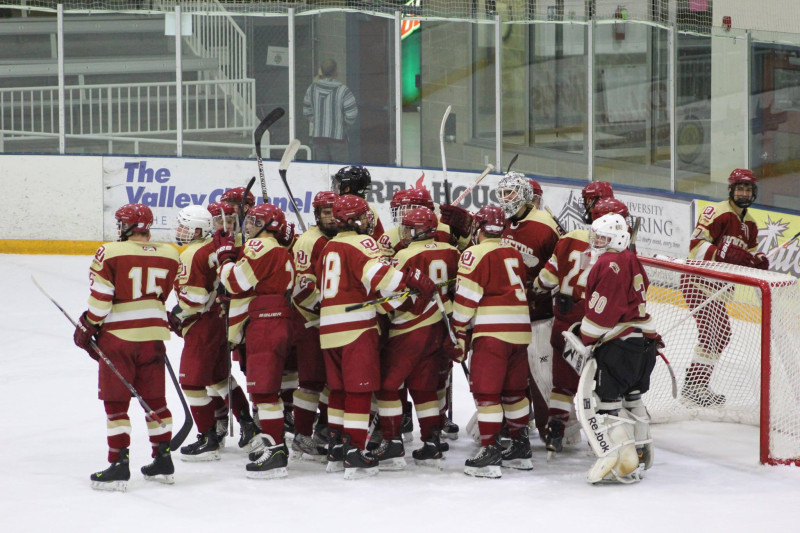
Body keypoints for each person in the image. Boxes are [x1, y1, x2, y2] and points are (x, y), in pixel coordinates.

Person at [317, 194, 435, 480]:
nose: (368, 220)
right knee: (358, 392)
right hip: (356, 328)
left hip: (328, 329)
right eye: (364, 216)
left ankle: (336, 448)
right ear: (356, 220)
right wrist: (410, 279)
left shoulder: (329, 245)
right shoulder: (362, 243)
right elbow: (383, 278)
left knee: (338, 391)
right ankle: (355, 451)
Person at [73, 203, 180, 492]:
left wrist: (88, 324)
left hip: (119, 338)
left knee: (116, 403)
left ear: (127, 226)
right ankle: (163, 460)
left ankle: (119, 464)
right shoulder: (170, 253)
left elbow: (101, 301)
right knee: (156, 401)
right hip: (154, 336)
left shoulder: (109, 252)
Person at [535, 197, 630, 458]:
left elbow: (544, 281)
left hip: (565, 325)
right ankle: (601, 439)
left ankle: (555, 431)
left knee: (562, 385)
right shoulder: (620, 253)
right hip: (599, 329)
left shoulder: (568, 239)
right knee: (600, 385)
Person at [571, 212, 659, 484]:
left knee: (607, 405)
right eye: (596, 236)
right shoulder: (631, 258)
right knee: (633, 399)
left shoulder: (608, 264)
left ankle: (624, 461)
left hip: (618, 347)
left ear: (617, 238)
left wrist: (585, 336)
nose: (596, 241)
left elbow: (602, 315)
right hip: (644, 345)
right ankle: (642, 451)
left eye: (603, 238)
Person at [169, 205, 261, 462]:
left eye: (185, 227)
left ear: (199, 230)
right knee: (219, 378)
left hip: (202, 324)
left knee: (191, 382)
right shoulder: (212, 247)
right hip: (220, 320)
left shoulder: (192, 253)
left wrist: (175, 314)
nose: (180, 230)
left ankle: (208, 438)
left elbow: (195, 299)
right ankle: (248, 424)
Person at [373, 206, 461, 470]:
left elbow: (390, 297)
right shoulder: (453, 251)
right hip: (440, 325)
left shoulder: (404, 255)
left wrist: (380, 308)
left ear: (420, 230)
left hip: (410, 327)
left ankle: (391, 442)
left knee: (387, 385)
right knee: (424, 388)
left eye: (409, 228)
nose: (404, 232)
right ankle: (432, 442)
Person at [452, 206, 533, 479]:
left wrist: (458, 330)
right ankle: (520, 448)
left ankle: (490, 452)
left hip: (492, 333)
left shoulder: (474, 253)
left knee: (487, 394)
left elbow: (466, 298)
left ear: (479, 228)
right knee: (514, 392)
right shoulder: (513, 252)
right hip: (520, 331)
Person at [216, 203, 295, 479]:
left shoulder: (261, 246)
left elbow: (235, 282)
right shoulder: (277, 248)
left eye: (255, 221)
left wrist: (225, 259)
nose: (248, 225)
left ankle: (276, 453)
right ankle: (275, 445)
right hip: (274, 319)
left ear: (269, 226)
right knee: (267, 390)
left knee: (264, 392)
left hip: (265, 322)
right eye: (249, 220)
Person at [682, 168, 769, 407]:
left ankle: (696, 384)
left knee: (721, 333)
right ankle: (694, 387)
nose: (744, 193)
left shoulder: (751, 224)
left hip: (719, 287)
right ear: (731, 190)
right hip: (697, 280)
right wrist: (722, 253)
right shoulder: (717, 212)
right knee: (713, 332)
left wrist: (757, 261)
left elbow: (748, 255)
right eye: (740, 188)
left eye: (748, 189)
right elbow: (695, 245)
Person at [289, 191, 339, 460]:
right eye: (326, 213)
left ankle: (322, 429)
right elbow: (301, 290)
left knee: (331, 379)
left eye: (335, 212)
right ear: (317, 215)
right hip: (310, 321)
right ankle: (302, 435)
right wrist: (326, 311)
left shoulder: (331, 239)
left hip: (325, 321)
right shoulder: (311, 242)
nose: (332, 218)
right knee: (311, 380)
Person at [303, 58, 358, 163]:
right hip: (338, 138)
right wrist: (343, 125)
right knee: (339, 169)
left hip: (318, 138)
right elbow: (351, 114)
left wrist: (318, 121)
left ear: (321, 71)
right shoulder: (343, 90)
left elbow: (307, 112)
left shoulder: (312, 89)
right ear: (335, 71)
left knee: (322, 169)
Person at [331, 165, 385, 239]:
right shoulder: (360, 207)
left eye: (338, 185)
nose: (335, 188)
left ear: (347, 189)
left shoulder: (366, 210)